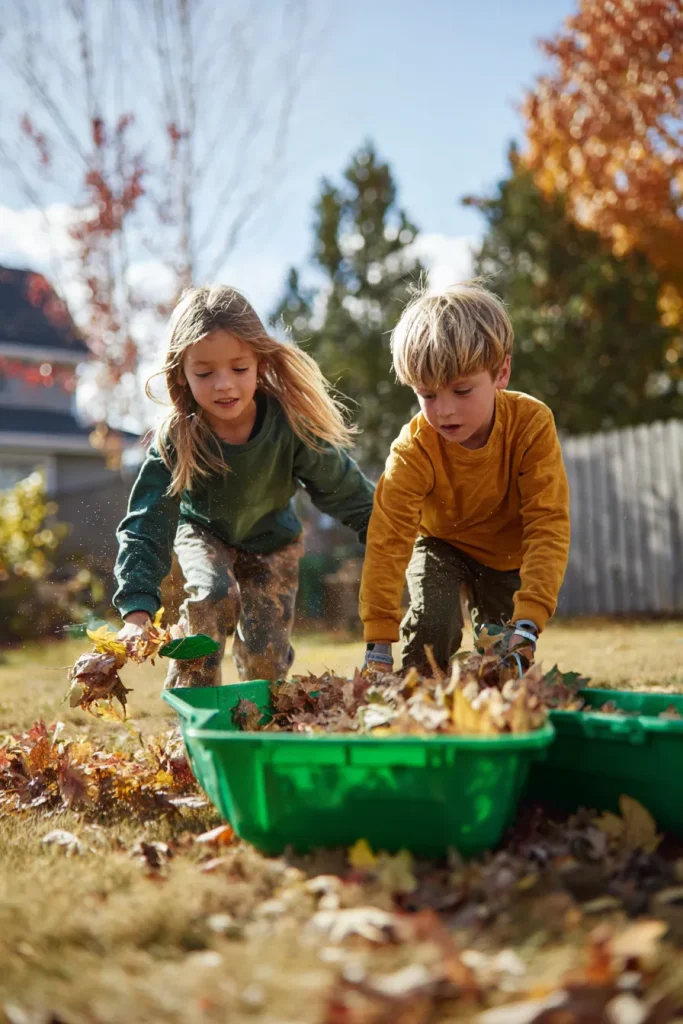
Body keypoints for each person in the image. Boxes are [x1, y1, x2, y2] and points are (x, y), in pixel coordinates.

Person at [114, 285, 374, 687]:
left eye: (239, 369)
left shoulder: (290, 426)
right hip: (204, 531)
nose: (224, 385)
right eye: (204, 373)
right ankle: (194, 709)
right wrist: (136, 610)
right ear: (181, 373)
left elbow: (340, 486)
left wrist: (382, 529)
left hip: (274, 540)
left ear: (259, 363)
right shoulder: (178, 437)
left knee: (264, 654)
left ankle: (257, 721)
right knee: (214, 593)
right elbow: (147, 521)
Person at [360, 282, 570, 675]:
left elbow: (548, 522)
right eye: (428, 395)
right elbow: (388, 542)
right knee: (431, 630)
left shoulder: (531, 425)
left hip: (506, 558)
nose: (444, 412)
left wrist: (529, 621)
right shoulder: (413, 449)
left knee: (499, 661)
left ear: (501, 372)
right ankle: (416, 711)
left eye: (461, 390)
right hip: (440, 544)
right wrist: (378, 642)